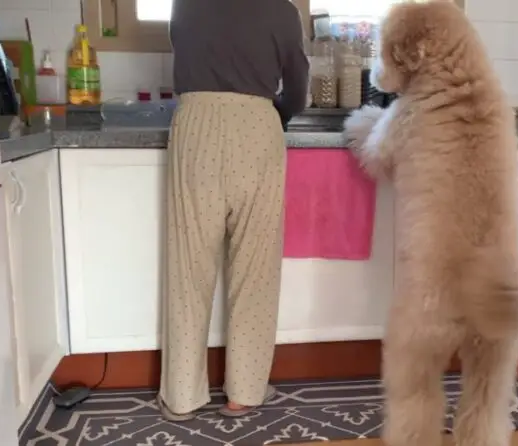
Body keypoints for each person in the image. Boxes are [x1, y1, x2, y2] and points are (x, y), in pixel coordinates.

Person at [156, 0, 309, 420]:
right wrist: (277, 111)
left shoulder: (185, 4)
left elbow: (184, 49)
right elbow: (298, 89)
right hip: (257, 125)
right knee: (254, 270)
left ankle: (182, 396)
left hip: (196, 125)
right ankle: (244, 391)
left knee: (189, 268)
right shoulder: (282, 10)